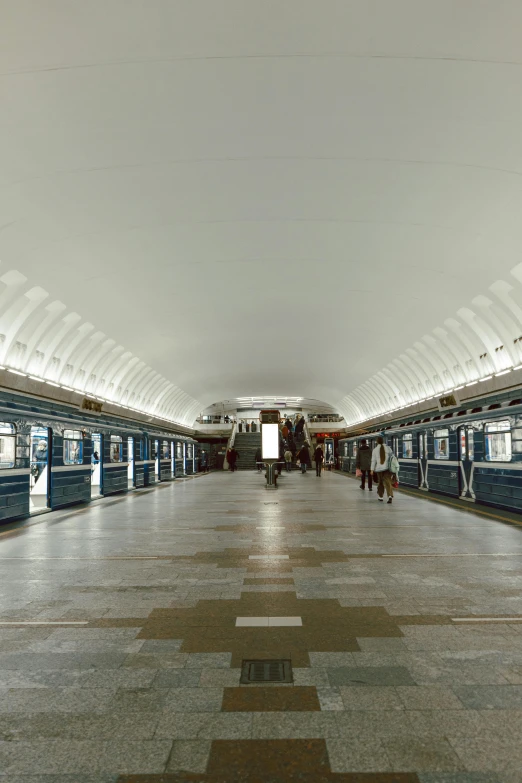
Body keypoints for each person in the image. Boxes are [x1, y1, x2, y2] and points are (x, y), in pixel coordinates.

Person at [371, 436, 397, 504]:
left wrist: (371, 469)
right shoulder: (388, 448)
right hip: (388, 468)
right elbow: (393, 458)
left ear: (377, 442)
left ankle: (380, 497)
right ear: (383, 441)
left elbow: (373, 461)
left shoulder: (375, 450)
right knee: (388, 482)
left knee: (380, 483)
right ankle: (390, 496)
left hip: (379, 469)